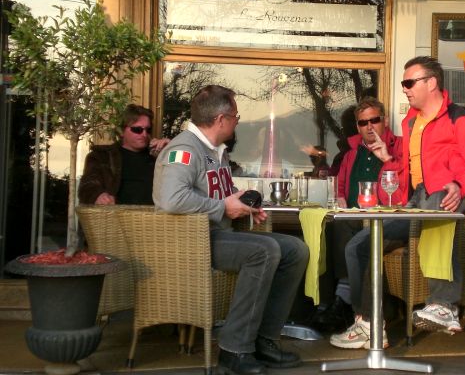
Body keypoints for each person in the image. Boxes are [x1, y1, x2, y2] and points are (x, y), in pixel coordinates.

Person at [330, 57, 465, 349]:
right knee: (360, 244)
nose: (404, 89)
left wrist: (460, 184)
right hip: (418, 200)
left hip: (453, 193)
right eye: (404, 83)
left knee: (438, 202)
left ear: (431, 83)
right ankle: (367, 322)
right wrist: (388, 160)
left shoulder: (460, 119)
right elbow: (408, 174)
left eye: (409, 82)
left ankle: (444, 305)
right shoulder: (411, 122)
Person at [153, 85, 309, 375]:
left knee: (295, 249)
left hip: (219, 235)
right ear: (221, 119)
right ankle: (234, 349)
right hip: (191, 242)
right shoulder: (184, 150)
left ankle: (264, 339)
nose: (238, 121)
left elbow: (218, 193)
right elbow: (171, 198)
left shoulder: (216, 151)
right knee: (264, 251)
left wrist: (242, 204)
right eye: (236, 116)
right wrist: (223, 207)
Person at [313, 97, 404, 333]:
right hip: (354, 216)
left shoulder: (400, 147)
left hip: (388, 219)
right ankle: (327, 302)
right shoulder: (351, 154)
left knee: (347, 231)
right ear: (358, 127)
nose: (370, 126)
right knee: (327, 227)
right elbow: (341, 187)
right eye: (364, 123)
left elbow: (403, 192)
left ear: (385, 121)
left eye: (375, 120)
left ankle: (344, 301)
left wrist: (387, 159)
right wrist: (340, 198)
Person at [78, 104, 170, 205]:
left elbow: (178, 182)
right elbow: (87, 186)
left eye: (148, 130)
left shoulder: (157, 156)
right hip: (116, 214)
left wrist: (170, 150)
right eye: (137, 130)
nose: (144, 134)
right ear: (122, 131)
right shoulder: (102, 156)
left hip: (152, 214)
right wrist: (98, 196)